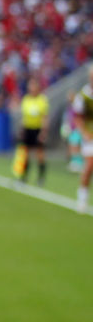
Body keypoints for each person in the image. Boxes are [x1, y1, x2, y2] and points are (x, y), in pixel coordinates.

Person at [16, 79, 49, 185]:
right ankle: (24, 176)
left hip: (37, 129)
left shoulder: (42, 100)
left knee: (39, 154)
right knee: (25, 154)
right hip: (28, 128)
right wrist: (22, 129)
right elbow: (24, 116)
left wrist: (43, 132)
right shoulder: (26, 99)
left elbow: (45, 117)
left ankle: (41, 177)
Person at [75, 66, 93, 214]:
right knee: (90, 166)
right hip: (90, 135)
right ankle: (82, 198)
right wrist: (84, 132)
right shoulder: (83, 95)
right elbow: (78, 118)